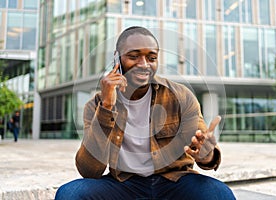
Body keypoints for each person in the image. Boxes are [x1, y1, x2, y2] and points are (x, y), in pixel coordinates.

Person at [55, 26, 235, 200]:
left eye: (152, 58)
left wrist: (207, 154)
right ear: (117, 59)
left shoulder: (180, 96)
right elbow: (89, 171)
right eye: (133, 56)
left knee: (219, 194)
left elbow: (204, 151)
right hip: (124, 183)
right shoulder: (95, 105)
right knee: (70, 194)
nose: (144, 65)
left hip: (175, 180)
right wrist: (107, 106)